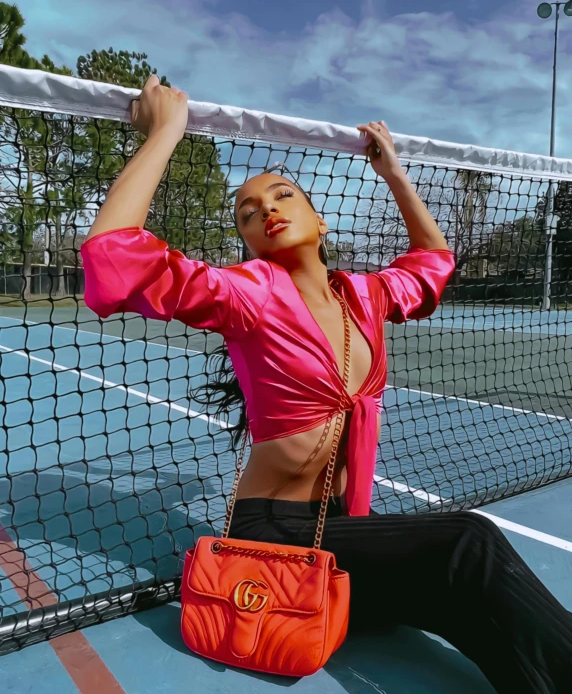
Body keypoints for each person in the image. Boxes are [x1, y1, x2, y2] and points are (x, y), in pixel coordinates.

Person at [81, 75, 572, 694]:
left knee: (461, 607)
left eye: (282, 196)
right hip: (271, 534)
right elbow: (114, 258)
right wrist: (166, 132)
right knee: (468, 541)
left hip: (338, 523)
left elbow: (432, 265)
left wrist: (393, 173)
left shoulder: (363, 295)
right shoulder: (247, 294)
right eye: (248, 213)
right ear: (247, 241)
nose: (267, 211)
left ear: (317, 216)